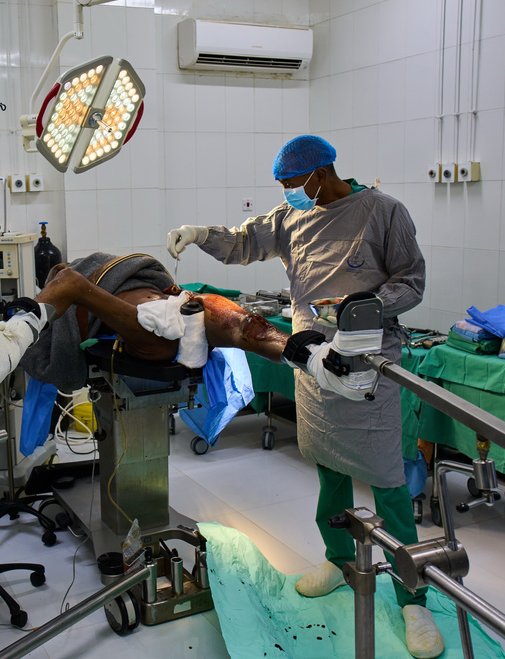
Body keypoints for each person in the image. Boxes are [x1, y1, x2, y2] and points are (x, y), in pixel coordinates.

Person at [166, 135, 442, 658]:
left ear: (321, 173)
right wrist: (198, 234)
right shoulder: (292, 216)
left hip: (367, 364)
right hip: (311, 359)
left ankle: (414, 597)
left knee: (387, 480)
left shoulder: (383, 212)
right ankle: (339, 561)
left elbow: (412, 281)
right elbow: (242, 244)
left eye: (292, 183)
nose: (287, 192)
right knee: (329, 468)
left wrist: (364, 303)